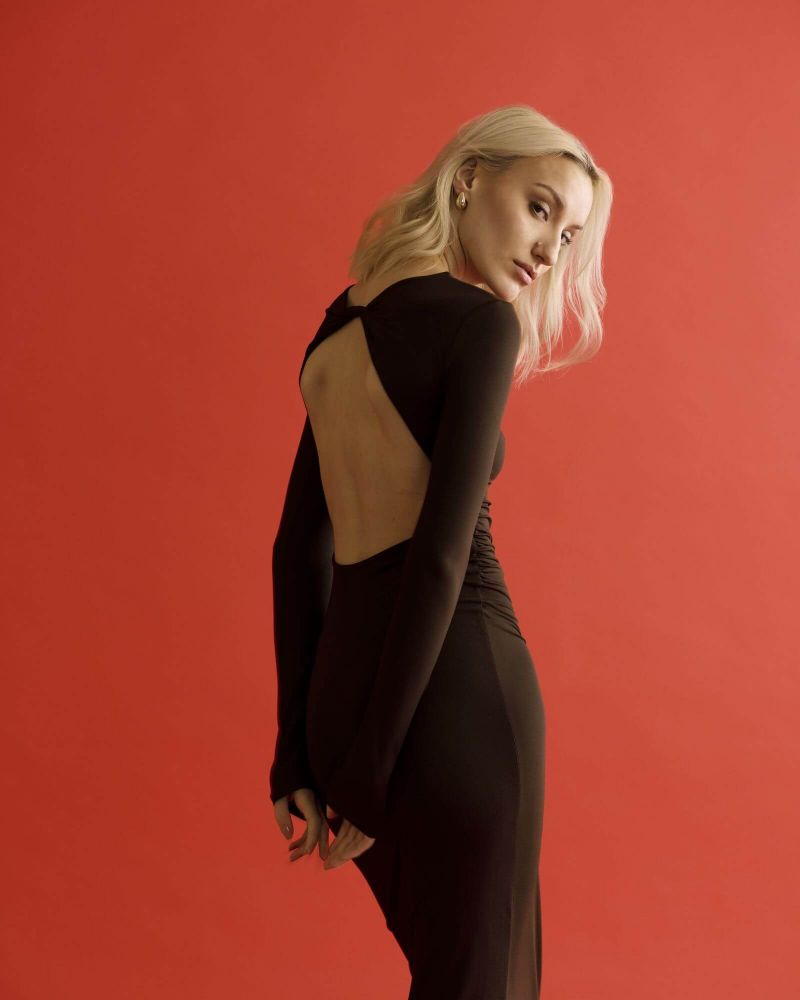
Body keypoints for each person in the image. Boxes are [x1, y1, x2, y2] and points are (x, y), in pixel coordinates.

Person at [268, 104, 612, 999]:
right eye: (539, 208)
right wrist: (374, 771)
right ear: (467, 179)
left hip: (350, 705)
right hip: (457, 704)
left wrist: (299, 748)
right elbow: (440, 558)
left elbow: (299, 546)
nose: (549, 253)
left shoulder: (340, 323)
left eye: (567, 235)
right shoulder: (481, 326)